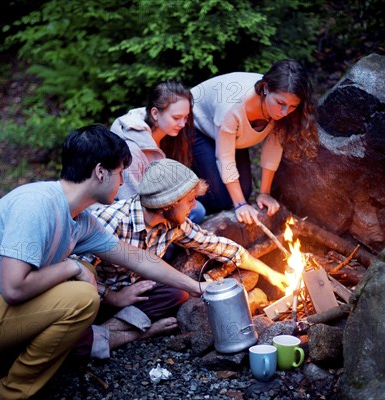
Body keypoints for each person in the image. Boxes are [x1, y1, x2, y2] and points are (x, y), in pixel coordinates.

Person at [0, 125, 208, 400]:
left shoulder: (78, 218)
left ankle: (16, 359)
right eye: (120, 172)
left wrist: (197, 287)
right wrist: (72, 267)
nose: (123, 182)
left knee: (86, 272)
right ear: (100, 172)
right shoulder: (36, 205)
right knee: (82, 293)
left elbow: (135, 258)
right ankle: (10, 394)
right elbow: (14, 289)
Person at [80, 158, 290, 359]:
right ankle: (138, 332)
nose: (196, 207)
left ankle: (102, 334)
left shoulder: (175, 224)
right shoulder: (112, 220)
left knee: (177, 293)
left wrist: (269, 273)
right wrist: (113, 297)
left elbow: (218, 246)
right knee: (77, 340)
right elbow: (76, 271)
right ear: (167, 205)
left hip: (134, 292)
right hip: (96, 298)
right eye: (190, 201)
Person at [190, 59, 319, 224]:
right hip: (197, 126)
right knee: (221, 200)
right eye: (280, 103)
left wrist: (264, 193)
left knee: (244, 190)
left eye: (293, 106)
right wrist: (241, 205)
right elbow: (225, 157)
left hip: (234, 137)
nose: (285, 112)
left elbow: (273, 148)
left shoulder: (282, 107)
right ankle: (186, 199)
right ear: (265, 88)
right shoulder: (232, 107)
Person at [110, 79, 206, 224]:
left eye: (185, 117)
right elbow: (130, 202)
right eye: (176, 118)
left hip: (161, 205)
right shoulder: (132, 148)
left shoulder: (170, 137)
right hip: (132, 215)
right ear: (155, 113)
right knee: (196, 212)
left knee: (197, 209)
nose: (182, 124)